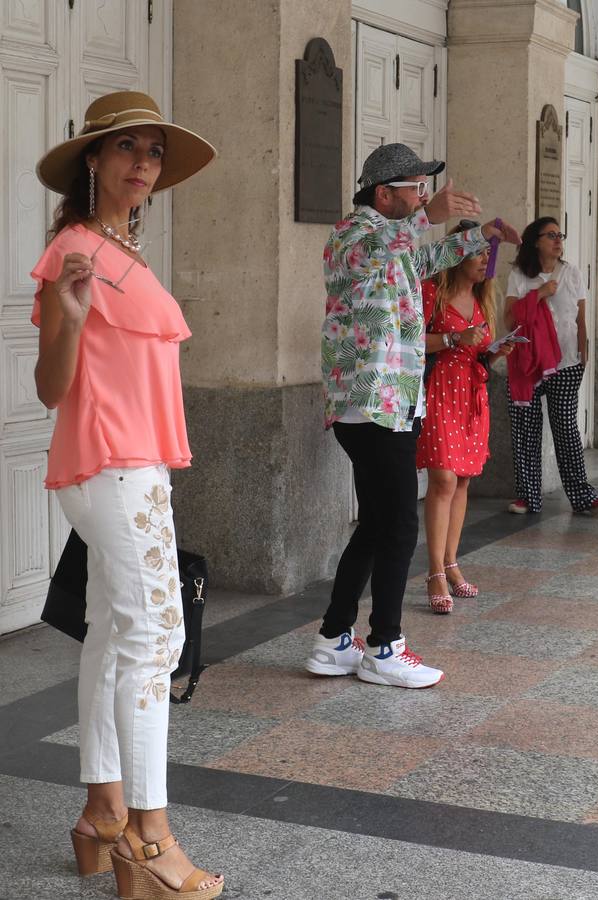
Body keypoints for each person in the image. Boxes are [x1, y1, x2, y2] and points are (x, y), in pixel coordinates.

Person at [31, 90, 222, 898]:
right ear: (93, 161)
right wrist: (70, 317)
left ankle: (102, 815)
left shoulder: (122, 250)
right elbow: (50, 386)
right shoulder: (75, 251)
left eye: (151, 152)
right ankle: (149, 838)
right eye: (126, 149)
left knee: (115, 634)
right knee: (156, 637)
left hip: (128, 467)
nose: (142, 164)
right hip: (111, 464)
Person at [310, 143, 519, 688]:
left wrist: (482, 236)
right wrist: (431, 216)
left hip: (392, 401)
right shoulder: (351, 236)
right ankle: (384, 646)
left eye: (427, 189)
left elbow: (423, 259)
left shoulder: (394, 243)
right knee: (400, 523)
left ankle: (334, 639)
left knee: (379, 524)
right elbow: (379, 249)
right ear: (384, 194)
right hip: (371, 401)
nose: (424, 196)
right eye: (415, 187)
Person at [419, 222, 515, 613]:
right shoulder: (432, 293)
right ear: (456, 255)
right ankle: (433, 573)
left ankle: (451, 563)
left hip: (472, 396)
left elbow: (479, 353)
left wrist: (495, 352)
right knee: (442, 478)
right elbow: (409, 338)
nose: (484, 261)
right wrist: (455, 339)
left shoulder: (482, 299)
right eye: (478, 253)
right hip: (440, 389)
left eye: (487, 255)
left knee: (461, 481)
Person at [504, 217, 598, 515]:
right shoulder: (519, 274)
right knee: (526, 428)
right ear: (536, 241)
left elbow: (581, 318)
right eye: (551, 235)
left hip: (567, 362)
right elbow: (508, 319)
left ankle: (582, 495)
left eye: (560, 234)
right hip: (528, 364)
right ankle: (527, 496)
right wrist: (538, 295)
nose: (558, 240)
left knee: (565, 429)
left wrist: (583, 357)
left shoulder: (571, 272)